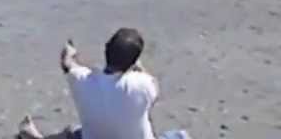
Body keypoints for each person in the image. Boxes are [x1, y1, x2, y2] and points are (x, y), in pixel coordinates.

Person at [18, 28, 187, 139]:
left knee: (73, 132)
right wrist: (138, 67)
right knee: (180, 135)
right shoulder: (142, 85)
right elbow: (154, 86)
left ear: (106, 49)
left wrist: (69, 51)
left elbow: (67, 63)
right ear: (132, 62)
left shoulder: (81, 79)